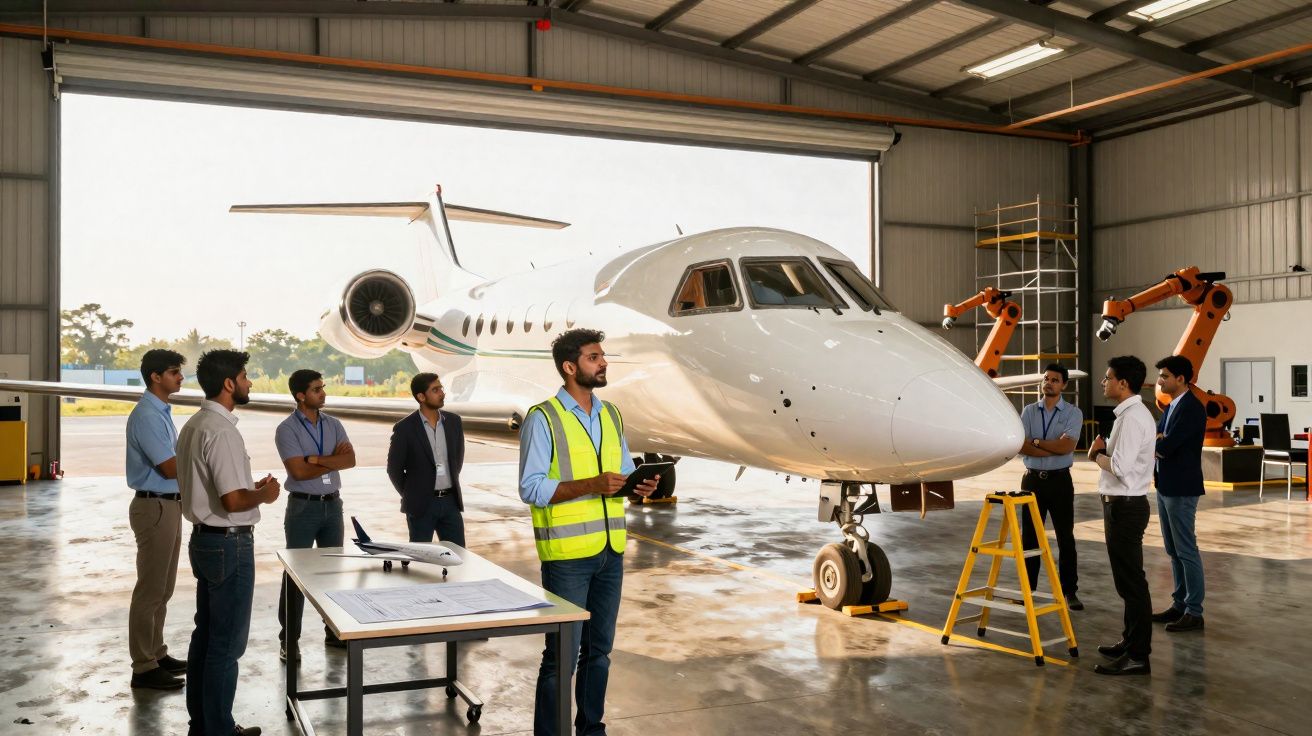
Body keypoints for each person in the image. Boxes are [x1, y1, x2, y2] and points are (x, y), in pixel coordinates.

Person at [520, 328, 660, 736]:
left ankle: (591, 728)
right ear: (569, 367)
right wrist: (591, 485)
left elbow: (622, 471)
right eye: (594, 358)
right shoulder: (543, 418)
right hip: (566, 559)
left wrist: (638, 484)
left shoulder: (610, 414)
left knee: (599, 652)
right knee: (560, 658)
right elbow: (531, 488)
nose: (603, 363)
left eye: (602, 356)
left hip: (610, 551)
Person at [177, 350, 280, 736]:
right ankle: (219, 730)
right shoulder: (222, 431)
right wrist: (265, 493)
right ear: (228, 384)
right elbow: (233, 501)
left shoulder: (195, 425)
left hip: (204, 541)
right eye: (245, 376)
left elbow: (218, 488)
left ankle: (202, 724)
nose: (250, 382)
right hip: (228, 544)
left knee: (205, 635)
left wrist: (248, 489)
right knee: (227, 645)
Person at [274, 369, 356, 661]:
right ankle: (289, 640)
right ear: (301, 396)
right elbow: (297, 470)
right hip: (303, 507)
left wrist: (317, 460)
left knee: (333, 572)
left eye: (323, 387)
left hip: (332, 505)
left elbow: (350, 459)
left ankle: (334, 634)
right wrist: (332, 462)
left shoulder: (333, 424)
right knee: (295, 576)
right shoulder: (287, 429)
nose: (323, 393)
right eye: (317, 389)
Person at [1087, 355, 1156, 677]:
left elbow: (1119, 468)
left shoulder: (1131, 419)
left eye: (1108, 377)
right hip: (1122, 504)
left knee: (1132, 584)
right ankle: (1130, 642)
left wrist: (1095, 455)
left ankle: (1139, 655)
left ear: (1123, 383)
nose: (1104, 382)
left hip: (1125, 506)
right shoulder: (1130, 415)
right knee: (1127, 582)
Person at [126, 348, 189, 690]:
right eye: (174, 372)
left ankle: (157, 653)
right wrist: (203, 465)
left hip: (169, 504)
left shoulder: (161, 411)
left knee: (163, 589)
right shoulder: (148, 416)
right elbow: (168, 465)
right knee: (150, 590)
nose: (180, 377)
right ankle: (143, 667)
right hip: (155, 506)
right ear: (156, 377)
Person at [1017, 363, 1084, 610]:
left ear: (1064, 385)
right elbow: (1020, 445)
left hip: (1060, 482)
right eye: (1046, 378)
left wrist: (1035, 442)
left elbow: (1066, 447)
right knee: (1030, 539)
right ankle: (1029, 590)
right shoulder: (1028, 411)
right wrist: (1047, 444)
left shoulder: (1073, 413)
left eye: (1055, 380)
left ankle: (1070, 592)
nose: (1049, 382)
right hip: (1032, 480)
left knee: (1065, 537)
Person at [1151, 355, 1207, 632]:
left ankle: (1194, 611)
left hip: (1182, 488)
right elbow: (1158, 438)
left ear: (1181, 379)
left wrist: (1160, 443)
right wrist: (1160, 442)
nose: (1160, 380)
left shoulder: (1192, 409)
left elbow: (1166, 445)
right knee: (1173, 550)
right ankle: (1179, 604)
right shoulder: (1171, 407)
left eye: (1164, 376)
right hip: (1165, 484)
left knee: (1186, 550)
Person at [387, 372, 466, 548]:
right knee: (421, 560)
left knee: (459, 556)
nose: (442, 393)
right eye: (435, 390)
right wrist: (414, 494)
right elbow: (394, 470)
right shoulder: (404, 428)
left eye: (441, 388)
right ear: (421, 396)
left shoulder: (454, 422)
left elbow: (457, 460)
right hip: (421, 505)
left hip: (450, 502)